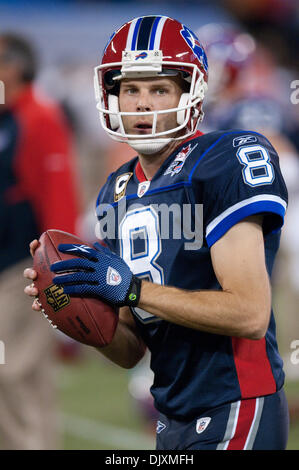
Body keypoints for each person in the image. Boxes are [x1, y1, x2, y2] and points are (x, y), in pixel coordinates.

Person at [24, 16, 289, 450]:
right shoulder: (115, 190)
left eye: (160, 88)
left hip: (236, 403)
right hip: (171, 414)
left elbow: (250, 314)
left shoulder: (225, 157)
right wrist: (76, 311)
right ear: (112, 96)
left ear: (191, 94)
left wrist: (130, 289)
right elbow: (130, 349)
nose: (143, 104)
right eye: (131, 89)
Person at [0, 32, 80, 449]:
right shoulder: (9, 117)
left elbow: (59, 197)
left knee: (8, 371)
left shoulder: (39, 116)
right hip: (9, 267)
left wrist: (59, 269)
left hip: (24, 270)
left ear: (12, 67)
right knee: (29, 376)